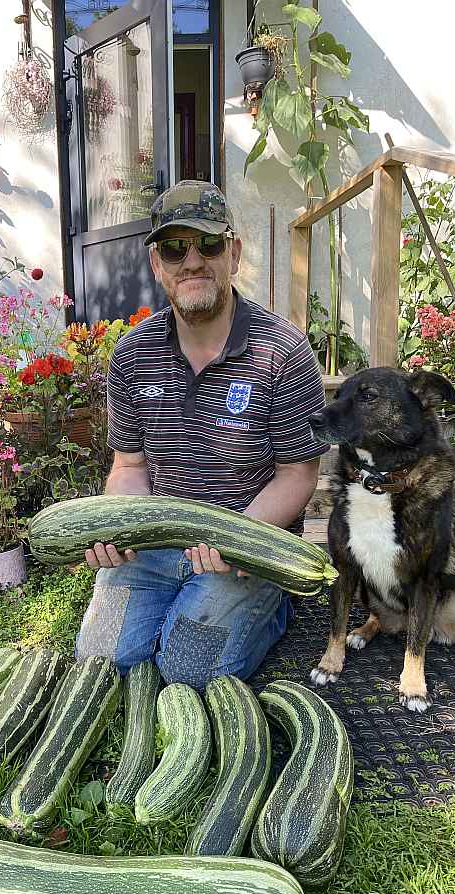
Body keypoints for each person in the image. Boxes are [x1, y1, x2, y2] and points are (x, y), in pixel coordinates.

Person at [75, 180, 329, 689]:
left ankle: (272, 607)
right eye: (174, 248)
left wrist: (234, 539)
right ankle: (179, 603)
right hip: (156, 546)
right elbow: (129, 467)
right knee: (102, 665)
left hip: (244, 551)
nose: (192, 261)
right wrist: (118, 527)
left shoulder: (283, 350)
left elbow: (298, 475)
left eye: (207, 244)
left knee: (186, 673)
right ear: (156, 265)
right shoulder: (131, 355)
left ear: (232, 253)